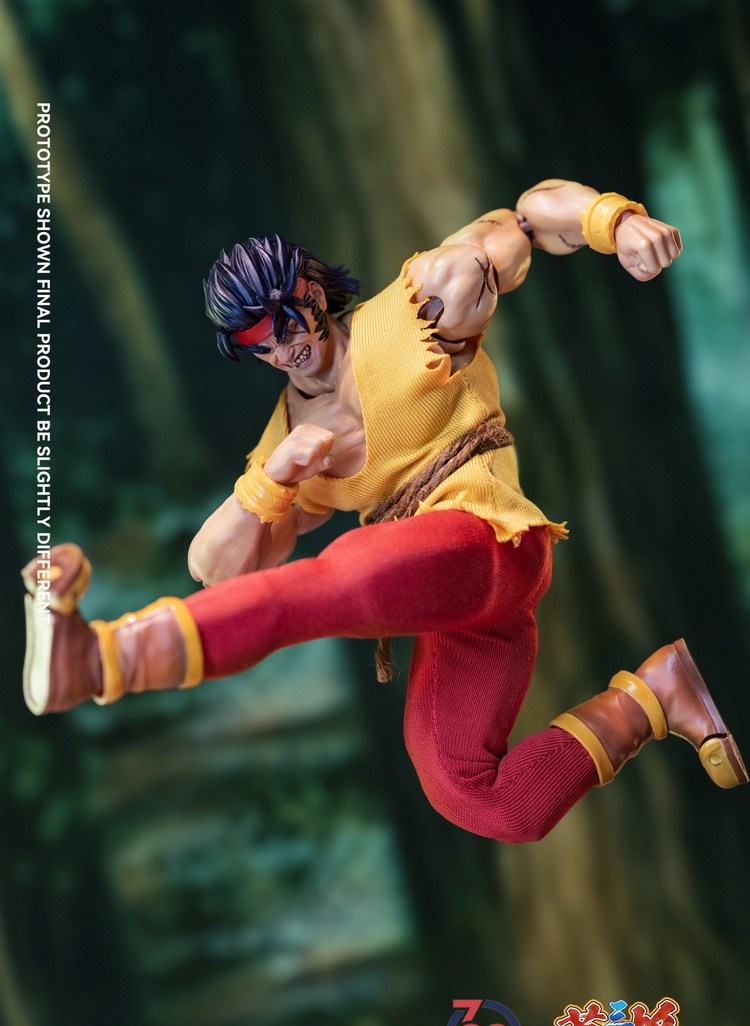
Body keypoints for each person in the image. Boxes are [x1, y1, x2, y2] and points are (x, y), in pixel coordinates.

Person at [22, 179, 747, 844]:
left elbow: (525, 218)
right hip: (462, 608)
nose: (281, 344)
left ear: (311, 290)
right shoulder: (286, 436)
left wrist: (613, 222)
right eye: (253, 340)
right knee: (478, 796)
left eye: (283, 317)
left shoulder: (414, 308)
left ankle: (102, 659)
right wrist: (268, 483)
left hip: (486, 538)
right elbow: (216, 569)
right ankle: (656, 695)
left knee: (338, 583)